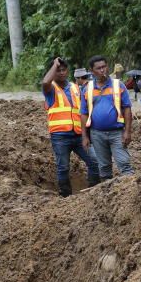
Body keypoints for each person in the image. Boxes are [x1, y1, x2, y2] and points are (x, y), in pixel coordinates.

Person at [41, 56, 99, 196]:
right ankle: (66, 196)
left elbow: (83, 110)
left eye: (63, 69)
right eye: (58, 70)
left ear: (68, 71)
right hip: (60, 136)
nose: (61, 72)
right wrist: (54, 64)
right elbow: (45, 81)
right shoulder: (50, 89)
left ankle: (94, 191)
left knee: (94, 162)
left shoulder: (74, 87)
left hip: (79, 135)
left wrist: (87, 132)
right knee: (63, 168)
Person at [80, 55, 134, 181]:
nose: (102, 70)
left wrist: (127, 131)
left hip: (117, 132)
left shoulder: (118, 85)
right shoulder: (88, 88)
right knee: (104, 167)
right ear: (92, 71)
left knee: (124, 163)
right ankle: (107, 194)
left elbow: (127, 108)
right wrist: (84, 136)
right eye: (98, 68)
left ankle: (131, 194)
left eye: (104, 67)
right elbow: (83, 113)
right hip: (97, 133)